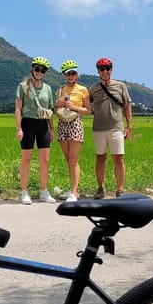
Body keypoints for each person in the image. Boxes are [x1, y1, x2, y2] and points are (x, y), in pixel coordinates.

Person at [14, 56, 56, 204]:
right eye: (37, 69)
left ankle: (44, 191)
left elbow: (50, 110)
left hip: (43, 124)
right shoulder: (23, 86)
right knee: (26, 159)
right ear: (32, 69)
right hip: (28, 124)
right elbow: (18, 109)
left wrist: (52, 128)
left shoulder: (48, 88)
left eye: (42, 70)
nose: (39, 72)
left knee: (45, 159)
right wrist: (19, 128)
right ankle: (24, 192)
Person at [89, 57, 132, 198]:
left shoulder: (120, 86)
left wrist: (129, 126)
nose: (105, 71)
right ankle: (100, 188)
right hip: (99, 128)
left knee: (118, 159)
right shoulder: (94, 89)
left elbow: (127, 106)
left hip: (116, 127)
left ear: (112, 70)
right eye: (102, 69)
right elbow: (86, 105)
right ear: (98, 71)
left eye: (107, 68)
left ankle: (120, 189)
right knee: (100, 158)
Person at [54, 59, 92, 201]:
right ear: (64, 75)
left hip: (75, 123)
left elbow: (88, 110)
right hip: (62, 123)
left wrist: (74, 107)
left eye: (73, 73)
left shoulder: (83, 90)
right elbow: (55, 106)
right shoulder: (60, 90)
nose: (70, 76)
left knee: (73, 160)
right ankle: (72, 188)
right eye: (68, 74)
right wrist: (62, 102)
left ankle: (75, 192)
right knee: (67, 158)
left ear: (77, 75)